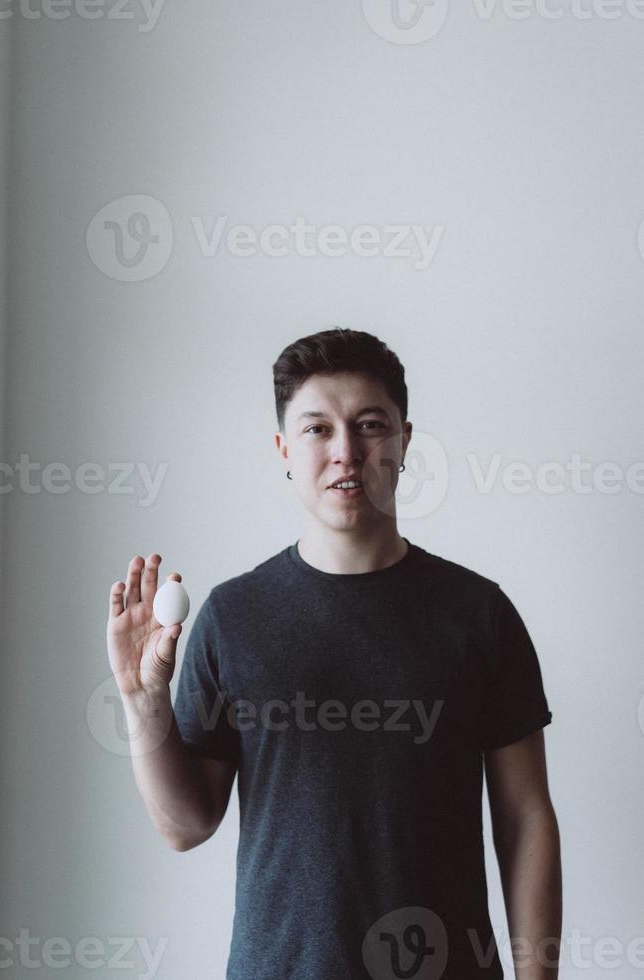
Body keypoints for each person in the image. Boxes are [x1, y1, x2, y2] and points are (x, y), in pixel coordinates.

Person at [106, 327, 562, 980]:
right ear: (284, 449)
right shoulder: (233, 617)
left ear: (405, 439)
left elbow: (525, 819)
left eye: (370, 425)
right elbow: (186, 826)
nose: (346, 452)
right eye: (318, 429)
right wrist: (141, 700)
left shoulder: (479, 614)